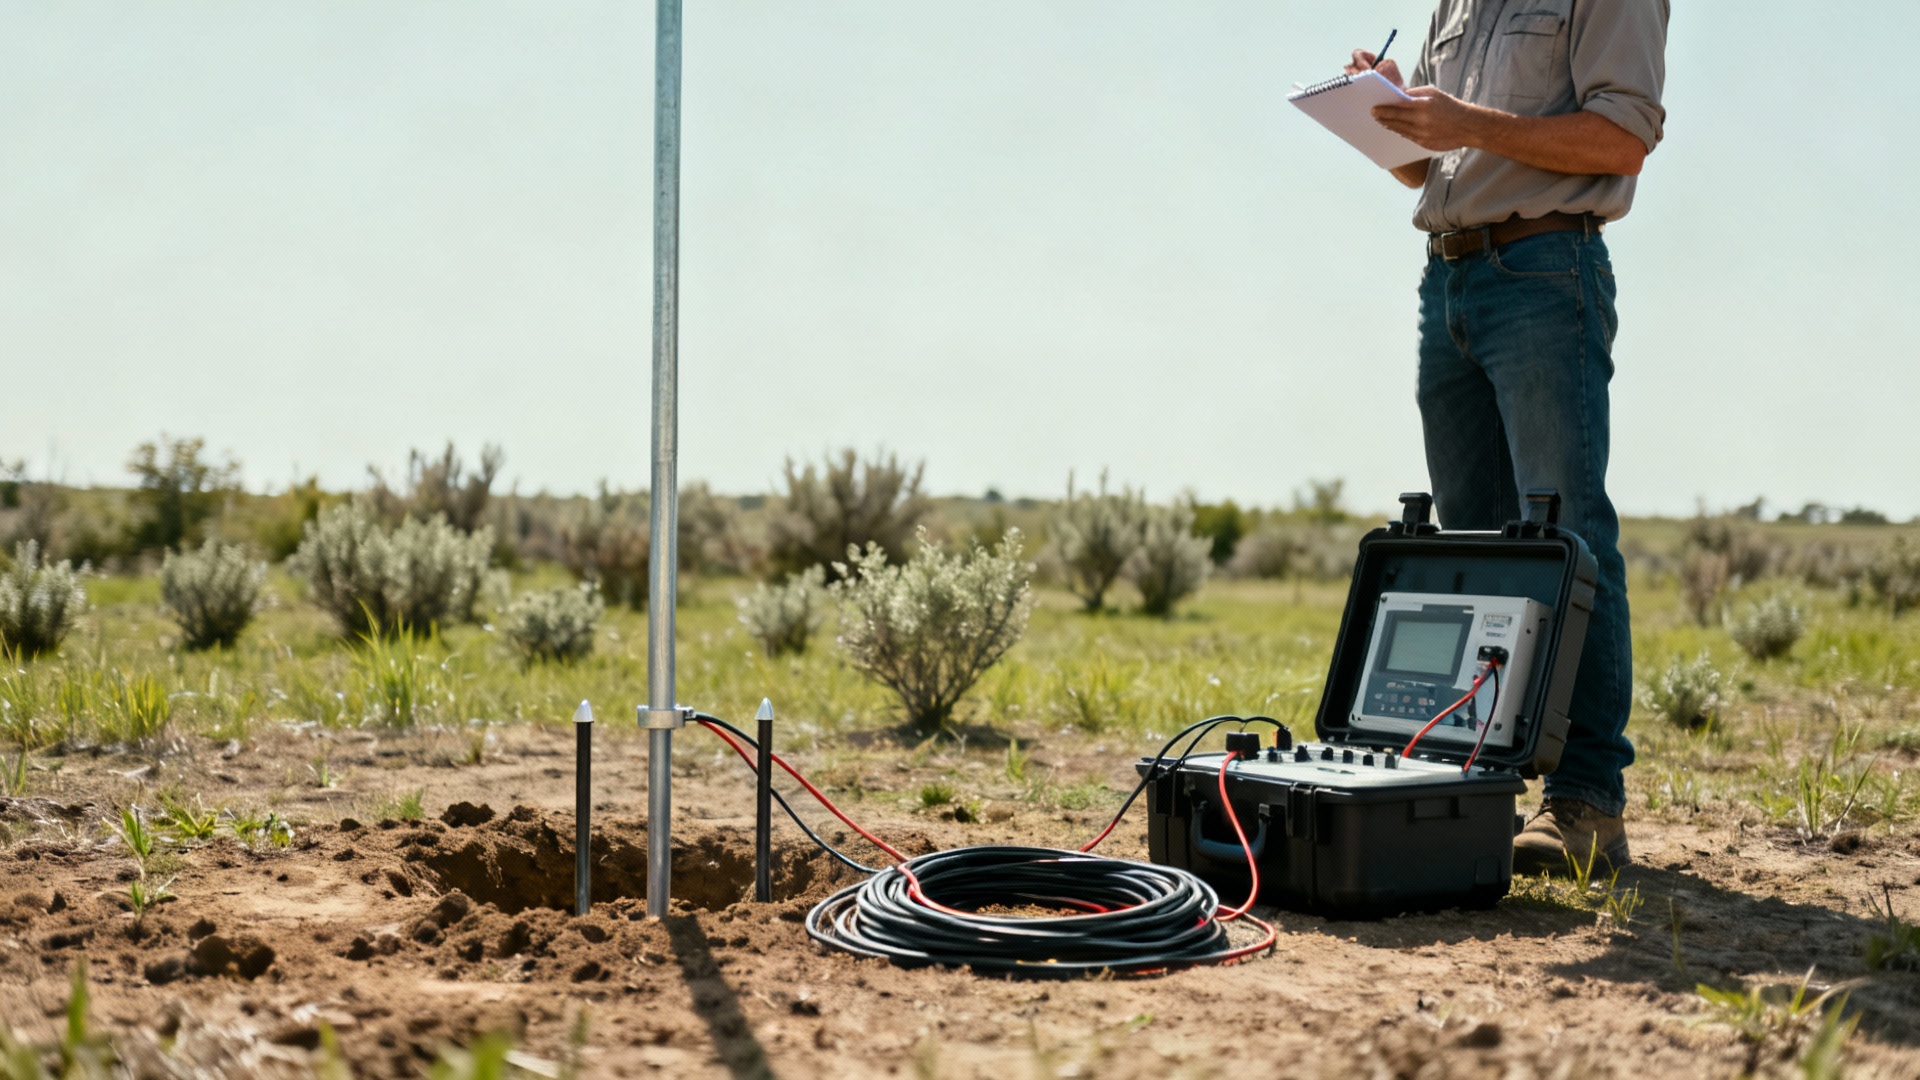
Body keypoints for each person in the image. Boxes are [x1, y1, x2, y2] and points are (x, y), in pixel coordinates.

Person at [1345, 0, 1669, 874]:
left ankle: (1589, 803)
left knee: (1567, 539)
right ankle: (1482, 792)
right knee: (1478, 547)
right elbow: (1427, 168)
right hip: (1447, 280)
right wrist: (1385, 115)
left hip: (1543, 270)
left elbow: (1622, 140)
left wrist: (1459, 119)